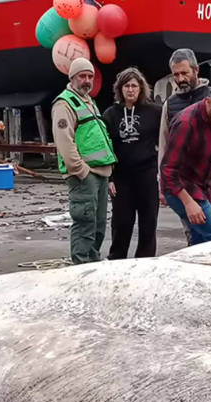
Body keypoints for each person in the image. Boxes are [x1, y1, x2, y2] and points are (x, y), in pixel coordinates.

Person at [158, 48, 211, 239]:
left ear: (195, 71)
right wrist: (161, 183)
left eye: (184, 73)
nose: (180, 78)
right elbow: (164, 144)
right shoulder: (174, 107)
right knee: (198, 229)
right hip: (183, 180)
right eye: (176, 74)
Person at [52, 57, 117, 264]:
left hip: (100, 173)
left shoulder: (89, 102)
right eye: (82, 76)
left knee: (98, 225)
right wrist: (80, 170)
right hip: (84, 175)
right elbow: (64, 140)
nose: (87, 80)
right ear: (72, 78)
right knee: (85, 222)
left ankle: (93, 261)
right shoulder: (65, 104)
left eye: (90, 76)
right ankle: (81, 265)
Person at [102, 67, 161, 259]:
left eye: (134, 86)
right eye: (126, 86)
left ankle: (145, 259)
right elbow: (106, 147)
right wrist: (109, 177)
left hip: (147, 174)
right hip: (121, 177)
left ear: (141, 88)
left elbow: (166, 141)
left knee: (148, 221)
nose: (130, 90)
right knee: (121, 222)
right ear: (120, 89)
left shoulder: (155, 112)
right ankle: (116, 259)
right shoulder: (111, 114)